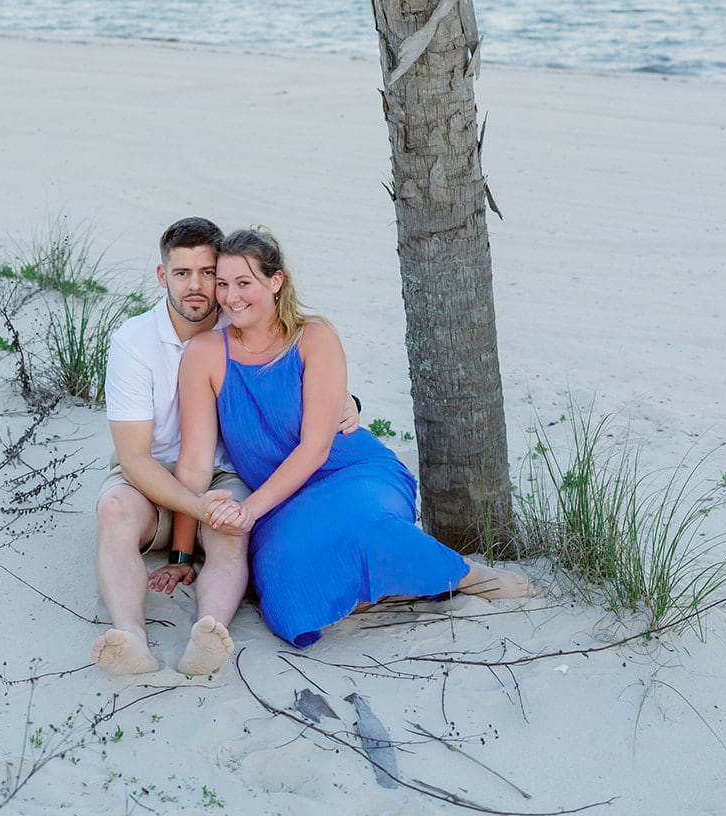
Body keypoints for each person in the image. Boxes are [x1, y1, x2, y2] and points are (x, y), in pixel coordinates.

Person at [172, 228, 533, 648]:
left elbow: (316, 447)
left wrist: (248, 510)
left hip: (351, 472)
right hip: (279, 499)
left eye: (244, 283)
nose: (231, 297)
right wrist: (182, 549)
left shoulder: (314, 336)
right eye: (223, 284)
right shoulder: (204, 354)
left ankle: (466, 574)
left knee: (365, 527)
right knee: (286, 590)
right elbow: (195, 461)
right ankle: (382, 585)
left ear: (276, 282)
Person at [92, 216, 360, 678]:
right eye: (181, 273)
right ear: (163, 277)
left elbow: (295, 369)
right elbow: (135, 458)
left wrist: (350, 402)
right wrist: (190, 516)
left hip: (223, 476)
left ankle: (207, 632)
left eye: (208, 274)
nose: (197, 287)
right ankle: (131, 638)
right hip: (150, 480)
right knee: (114, 511)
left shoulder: (240, 318)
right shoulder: (134, 344)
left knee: (229, 528)